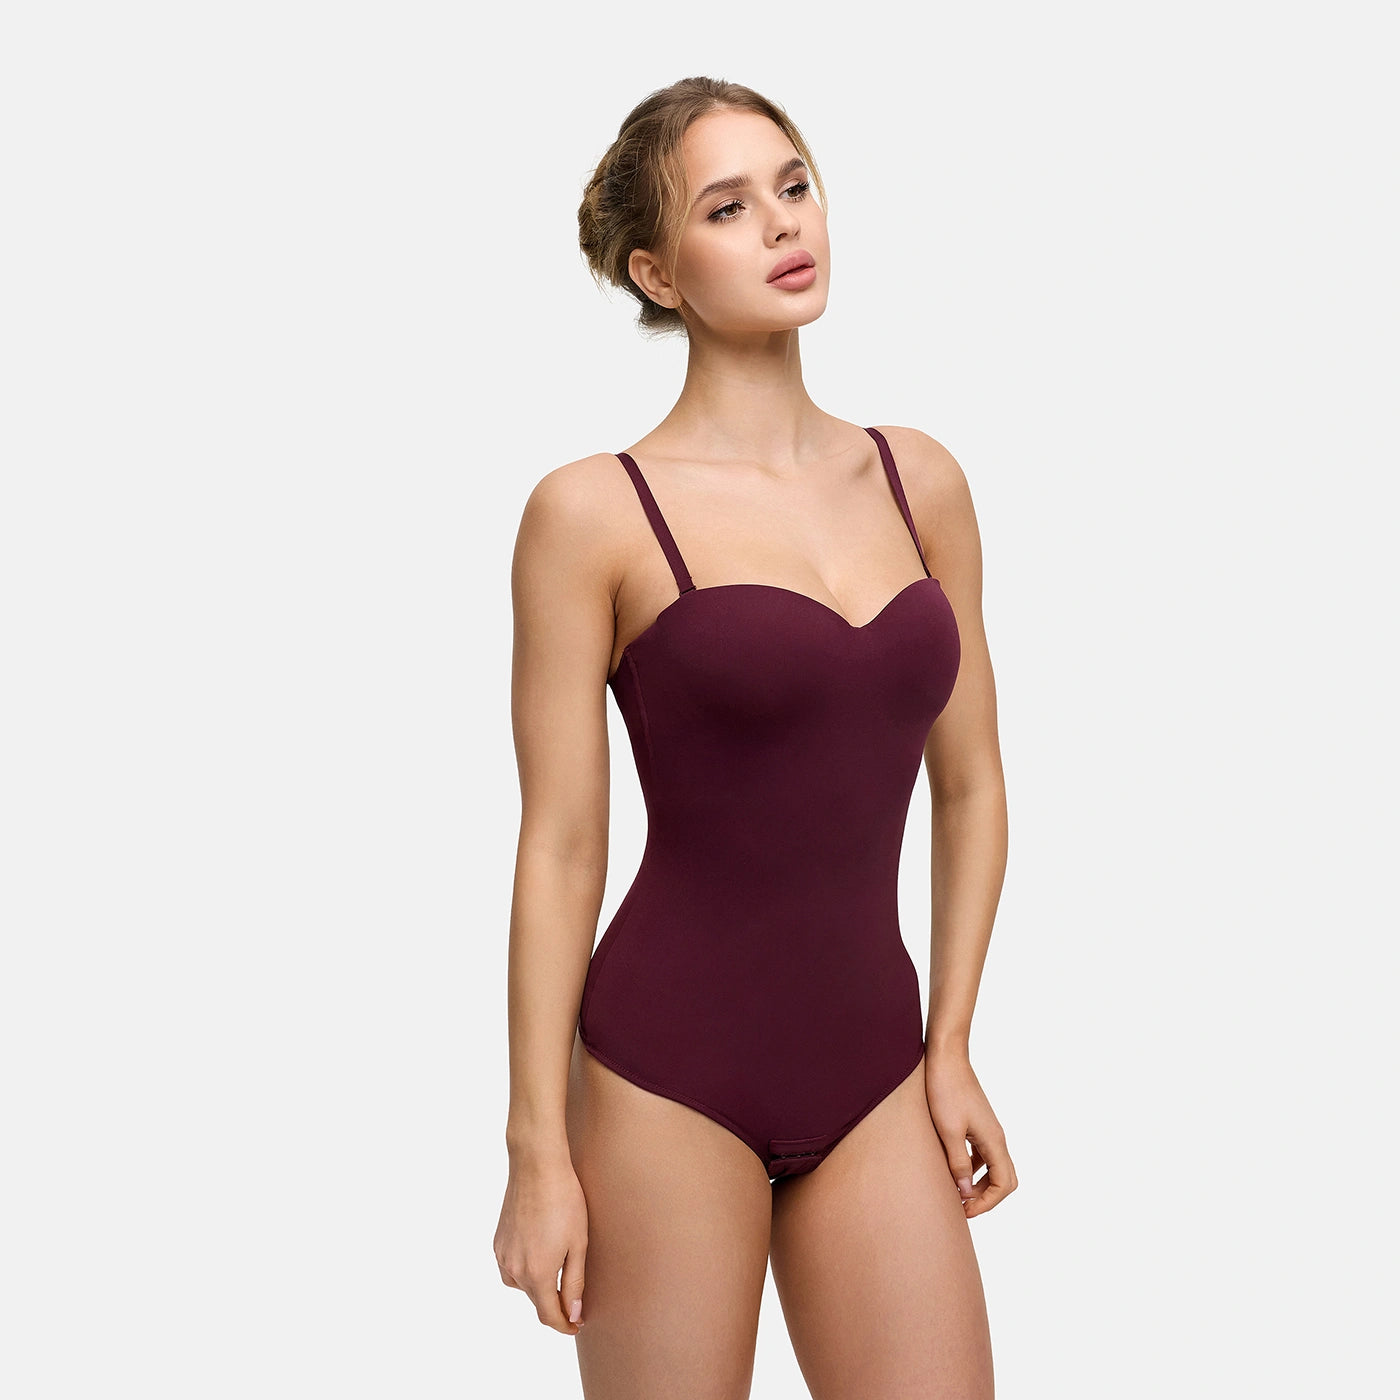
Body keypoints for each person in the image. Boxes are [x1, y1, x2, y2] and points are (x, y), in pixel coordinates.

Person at [494, 74, 1016, 1399]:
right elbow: (560, 848)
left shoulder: (921, 481)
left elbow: (971, 787)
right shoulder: (592, 515)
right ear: (657, 273)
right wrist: (537, 1154)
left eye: (794, 186)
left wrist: (952, 1042)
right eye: (727, 208)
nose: (784, 223)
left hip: (877, 1067)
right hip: (666, 1075)